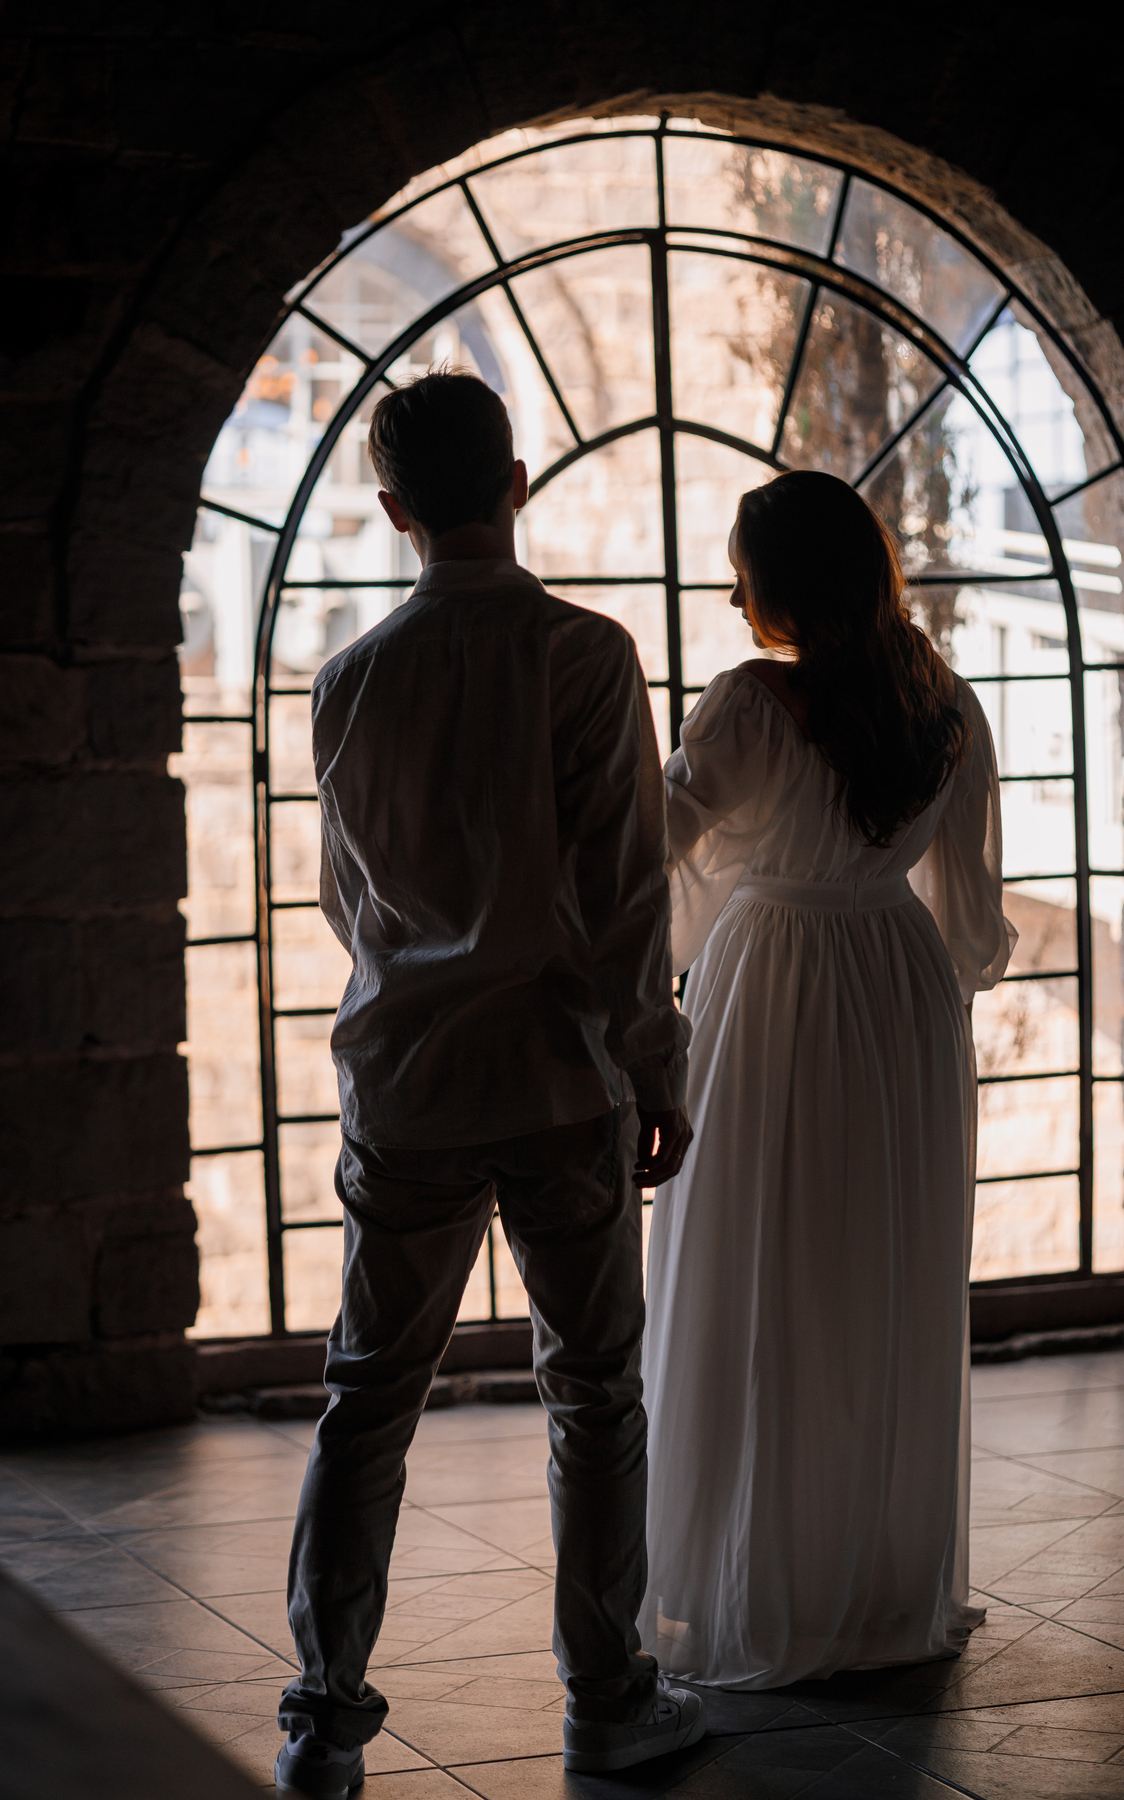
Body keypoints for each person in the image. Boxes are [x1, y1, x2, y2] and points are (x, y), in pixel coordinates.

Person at [274, 370, 705, 1795]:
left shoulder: (348, 676)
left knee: (367, 1397)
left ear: (392, 508)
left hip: (403, 1082)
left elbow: (352, 907)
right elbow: (627, 897)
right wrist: (656, 1061)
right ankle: (608, 1694)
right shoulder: (585, 655)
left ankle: (324, 1722)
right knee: (592, 1395)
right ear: (516, 482)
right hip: (557, 1075)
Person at [638, 470, 1014, 1689]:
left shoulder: (751, 704)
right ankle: (878, 1577)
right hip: (898, 995)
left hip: (775, 986)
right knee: (875, 1274)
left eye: (741, 566)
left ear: (784, 582)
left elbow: (663, 849)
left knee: (762, 1269)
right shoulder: (945, 704)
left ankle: (762, 1576)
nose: (732, 588)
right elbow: (968, 921)